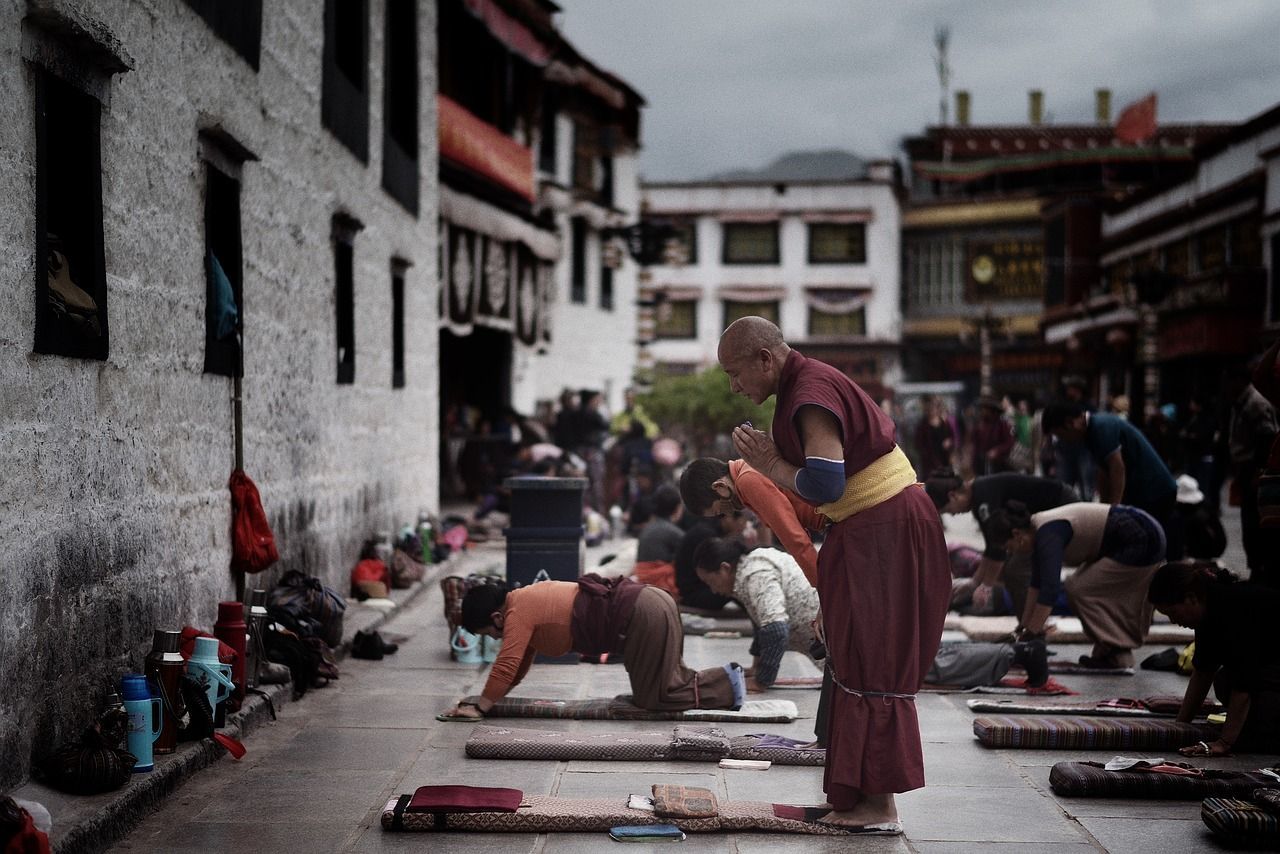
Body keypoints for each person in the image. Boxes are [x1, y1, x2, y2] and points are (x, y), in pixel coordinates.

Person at [716, 316, 950, 834]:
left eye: (736, 373)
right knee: (852, 655)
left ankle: (879, 806)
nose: (734, 387)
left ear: (765, 359)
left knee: (874, 658)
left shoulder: (811, 389)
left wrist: (771, 465)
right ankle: (855, 797)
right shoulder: (803, 384)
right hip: (866, 528)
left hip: (885, 527)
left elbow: (824, 482)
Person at [444, 577, 744, 718]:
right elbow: (517, 667)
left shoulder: (517, 612)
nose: (496, 640)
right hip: (651, 602)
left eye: (489, 634)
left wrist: (480, 708)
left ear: (496, 618)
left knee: (657, 697)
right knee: (666, 682)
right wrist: (488, 701)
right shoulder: (523, 601)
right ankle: (726, 682)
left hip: (643, 613)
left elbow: (506, 664)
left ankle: (728, 684)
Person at [986, 500, 1166, 669]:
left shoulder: (1047, 534)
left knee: (1078, 588)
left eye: (1009, 548)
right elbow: (1036, 585)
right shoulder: (1038, 531)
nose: (1011, 552)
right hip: (1135, 533)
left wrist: (1031, 635)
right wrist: (1022, 627)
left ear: (1017, 534)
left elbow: (1050, 590)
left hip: (1143, 537)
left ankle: (1115, 649)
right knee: (1081, 586)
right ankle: (1109, 648)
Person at [1147, 560, 1280, 755]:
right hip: (1268, 666)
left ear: (1191, 598)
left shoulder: (1233, 610)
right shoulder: (1208, 608)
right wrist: (1179, 727)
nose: (1173, 621)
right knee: (1223, 681)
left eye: (1173, 613)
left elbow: (1243, 684)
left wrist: (1224, 743)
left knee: (1244, 693)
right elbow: (1202, 673)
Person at [924, 469, 1078, 619]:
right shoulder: (980, 498)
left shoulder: (983, 499)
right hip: (1044, 519)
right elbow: (992, 548)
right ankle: (1028, 625)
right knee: (1014, 569)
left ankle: (1034, 627)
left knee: (1017, 570)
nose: (953, 514)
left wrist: (985, 586)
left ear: (953, 496)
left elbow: (997, 550)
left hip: (1063, 507)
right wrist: (975, 582)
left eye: (948, 510)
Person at [1042, 401, 1182, 559]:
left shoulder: (1101, 427)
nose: (1064, 440)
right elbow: (1104, 471)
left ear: (1071, 423)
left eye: (1060, 434)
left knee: (1150, 545)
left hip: (1156, 491)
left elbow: (1117, 469)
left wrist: (1114, 511)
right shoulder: (1090, 433)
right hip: (1145, 491)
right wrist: (1104, 509)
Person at [679, 457, 821, 582]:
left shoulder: (747, 481)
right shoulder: (745, 472)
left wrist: (820, 581)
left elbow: (792, 536)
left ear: (720, 487)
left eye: (720, 510)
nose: (728, 514)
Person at [1225, 362, 1280, 585]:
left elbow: (1267, 437)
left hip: (1255, 471)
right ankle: (1256, 569)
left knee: (1257, 525)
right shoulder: (1240, 402)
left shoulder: (1255, 403)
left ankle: (1261, 571)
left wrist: (1258, 471)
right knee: (1249, 524)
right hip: (1245, 470)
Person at [672, 509, 751, 611]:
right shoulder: (707, 535)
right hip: (694, 594)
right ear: (729, 518)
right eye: (742, 521)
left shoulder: (710, 530)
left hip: (703, 587)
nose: (744, 527)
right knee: (733, 583)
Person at [632, 484, 685, 597]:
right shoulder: (674, 533)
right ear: (677, 508)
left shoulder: (647, 527)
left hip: (641, 579)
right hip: (660, 585)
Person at [970, 395, 1016, 476]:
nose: (982, 411)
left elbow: (1010, 442)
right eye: (982, 408)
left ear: (991, 410)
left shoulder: (1002, 424)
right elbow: (974, 444)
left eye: (985, 408)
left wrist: (997, 450)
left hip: (998, 465)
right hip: (981, 463)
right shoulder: (978, 424)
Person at [913, 395, 955, 476]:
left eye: (934, 407)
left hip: (944, 459)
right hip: (930, 462)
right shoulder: (922, 425)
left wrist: (949, 443)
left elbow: (952, 438)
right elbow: (918, 443)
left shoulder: (945, 424)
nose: (932, 410)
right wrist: (925, 453)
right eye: (930, 408)